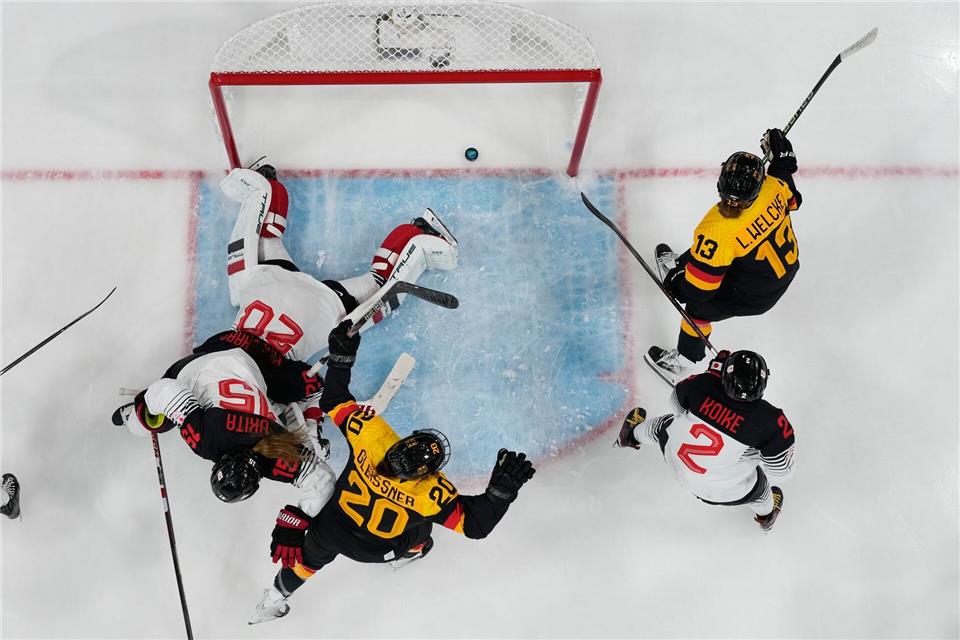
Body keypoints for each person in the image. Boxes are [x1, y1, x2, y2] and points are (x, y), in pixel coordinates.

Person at [249, 322, 537, 625]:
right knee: (422, 530)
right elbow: (476, 526)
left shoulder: (372, 436)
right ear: (427, 473)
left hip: (332, 529)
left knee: (306, 561)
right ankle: (413, 552)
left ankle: (271, 601)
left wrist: (342, 357)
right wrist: (501, 492)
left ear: (405, 440)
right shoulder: (430, 493)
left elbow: (332, 399)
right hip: (378, 549)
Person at [220, 163, 459, 363]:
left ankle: (419, 231)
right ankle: (267, 183)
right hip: (268, 285)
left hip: (317, 308)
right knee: (267, 236)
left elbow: (311, 391)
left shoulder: (271, 388)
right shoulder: (217, 362)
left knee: (378, 282)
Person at [646, 129, 802, 385]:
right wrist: (782, 158)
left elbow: (697, 293)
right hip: (779, 268)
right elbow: (790, 193)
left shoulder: (717, 227)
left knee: (697, 309)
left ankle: (685, 360)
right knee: (713, 252)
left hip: (755, 294)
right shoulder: (774, 187)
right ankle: (686, 266)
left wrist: (675, 283)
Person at [617, 349, 795, 531]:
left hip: (677, 465)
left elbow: (675, 406)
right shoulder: (772, 421)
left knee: (665, 424)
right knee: (762, 488)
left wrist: (712, 376)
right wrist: (750, 452)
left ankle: (631, 435)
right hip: (726, 492)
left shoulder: (701, 384)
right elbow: (781, 472)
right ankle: (767, 517)